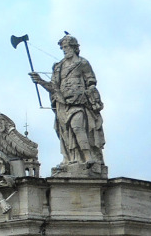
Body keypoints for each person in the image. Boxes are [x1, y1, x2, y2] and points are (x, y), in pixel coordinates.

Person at [30, 34, 105, 172]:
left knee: (77, 126)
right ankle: (70, 159)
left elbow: (91, 81)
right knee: (65, 132)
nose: (64, 50)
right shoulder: (58, 67)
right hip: (63, 104)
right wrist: (40, 81)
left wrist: (91, 94)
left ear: (74, 47)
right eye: (63, 48)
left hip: (80, 103)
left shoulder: (82, 63)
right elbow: (53, 87)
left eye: (66, 47)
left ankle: (88, 157)